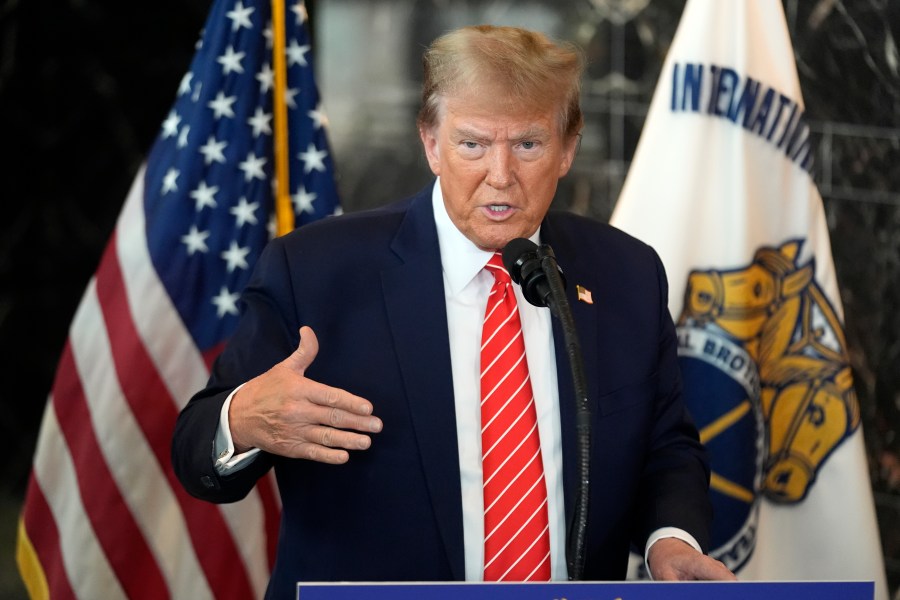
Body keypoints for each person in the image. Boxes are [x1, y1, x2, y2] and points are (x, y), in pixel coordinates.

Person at [171, 24, 735, 597]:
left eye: (528, 144)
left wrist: (672, 538)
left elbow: (666, 447)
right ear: (431, 144)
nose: (501, 174)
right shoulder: (317, 273)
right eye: (472, 144)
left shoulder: (625, 275)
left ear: (568, 149)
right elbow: (195, 447)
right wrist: (241, 419)